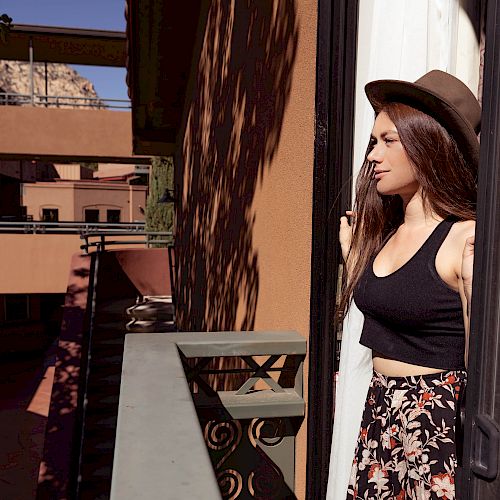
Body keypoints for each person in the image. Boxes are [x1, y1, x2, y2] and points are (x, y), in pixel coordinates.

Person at [338, 70, 480, 499]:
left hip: (435, 425)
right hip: (380, 414)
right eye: (373, 142)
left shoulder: (465, 240)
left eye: (388, 141)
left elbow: (483, 369)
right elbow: (386, 310)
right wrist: (355, 262)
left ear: (426, 145)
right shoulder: (385, 234)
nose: (372, 156)